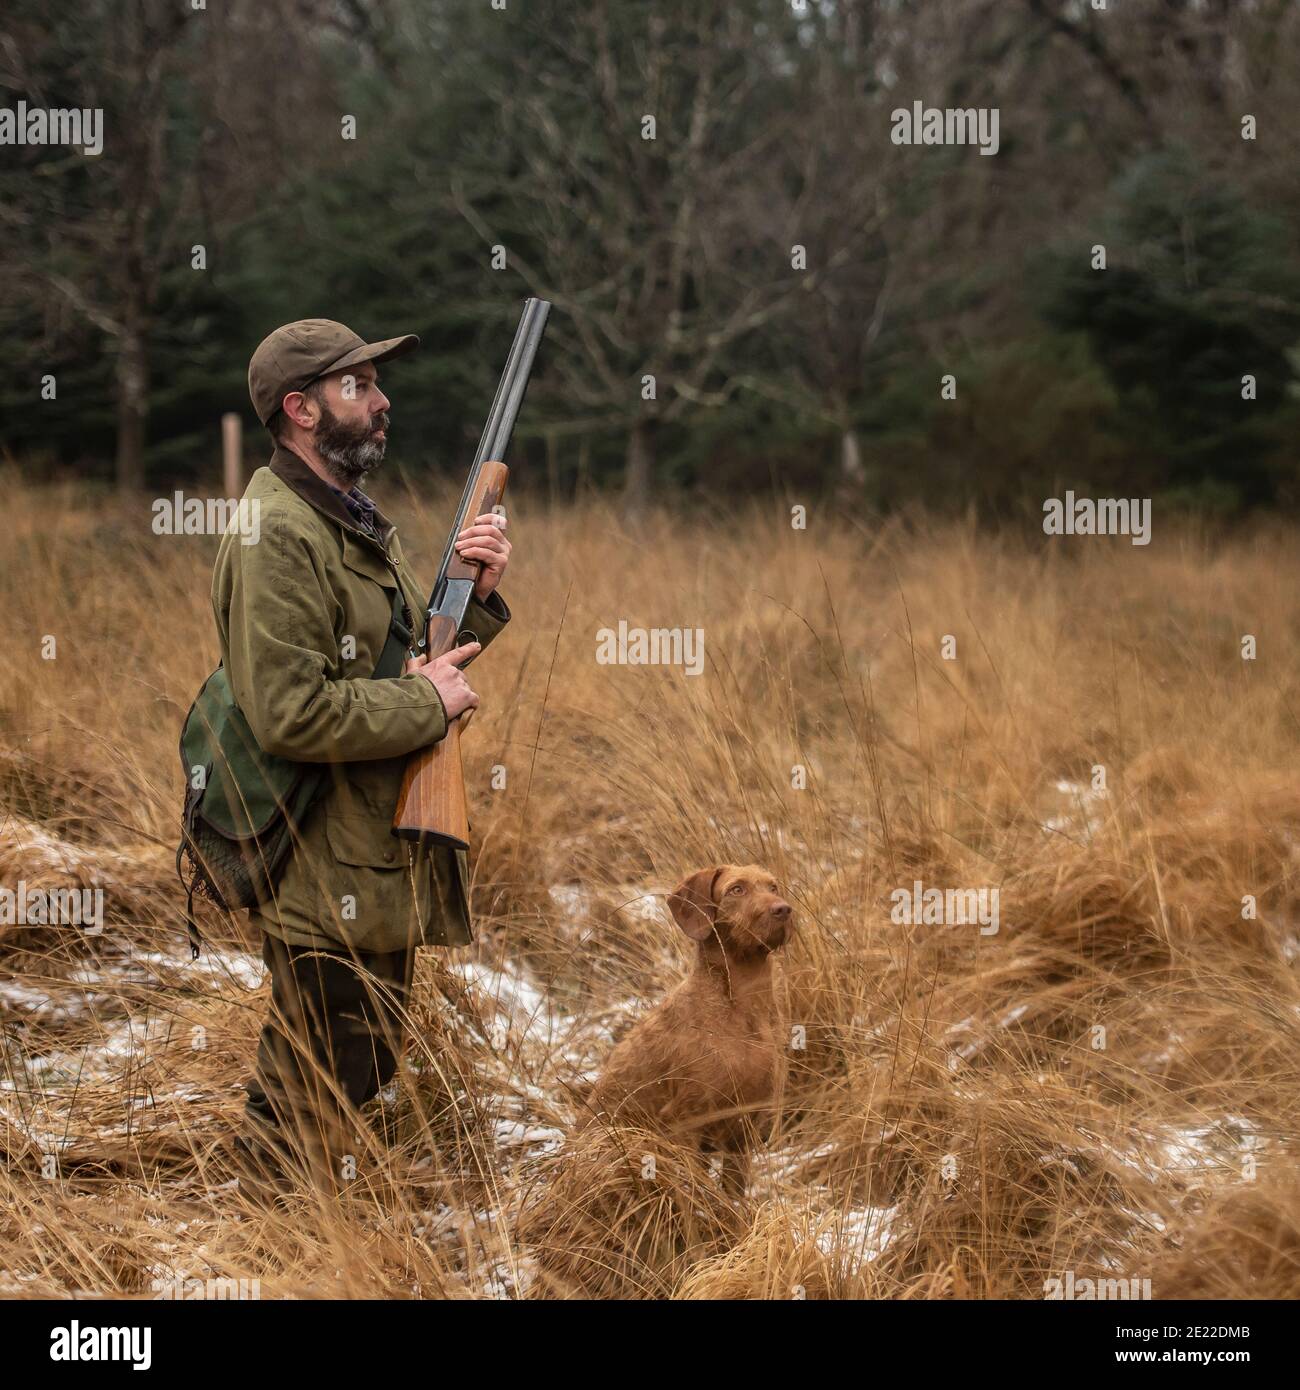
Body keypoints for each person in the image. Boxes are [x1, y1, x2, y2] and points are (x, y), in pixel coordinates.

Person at [215, 318, 512, 1196]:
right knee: (312, 1078)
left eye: (376, 385)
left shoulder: (337, 515)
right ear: (301, 410)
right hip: (317, 855)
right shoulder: (277, 534)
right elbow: (289, 713)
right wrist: (425, 702)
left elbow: (385, 659)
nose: (383, 404)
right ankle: (271, 1239)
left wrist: (474, 602)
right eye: (358, 388)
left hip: (363, 851)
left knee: (360, 1055)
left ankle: (302, 1228)